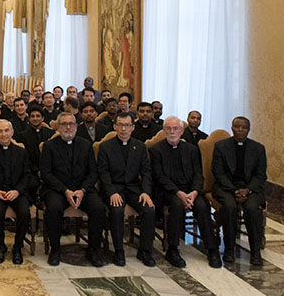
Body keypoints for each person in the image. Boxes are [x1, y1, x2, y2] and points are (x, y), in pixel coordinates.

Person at [150, 117, 222, 269]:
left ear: (182, 131)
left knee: (202, 206)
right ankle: (173, 249)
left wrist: (195, 192)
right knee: (176, 205)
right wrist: (178, 193)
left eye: (175, 128)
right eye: (168, 128)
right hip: (168, 192)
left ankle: (212, 249)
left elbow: (198, 174)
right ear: (164, 131)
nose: (172, 131)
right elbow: (159, 177)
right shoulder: (156, 150)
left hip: (191, 191)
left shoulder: (192, 149)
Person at [40, 113, 106, 267]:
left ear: (76, 126)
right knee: (53, 208)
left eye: (71, 124)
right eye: (64, 124)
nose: (68, 127)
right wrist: (65, 191)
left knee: (98, 208)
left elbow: (93, 172)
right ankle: (55, 249)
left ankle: (93, 249)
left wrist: (82, 190)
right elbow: (46, 174)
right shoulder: (49, 146)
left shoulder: (86, 145)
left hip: (83, 189)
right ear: (58, 127)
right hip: (57, 190)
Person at [97, 111, 156, 267]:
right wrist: (112, 192)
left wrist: (145, 192)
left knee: (149, 210)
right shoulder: (105, 147)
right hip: (114, 188)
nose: (124, 129)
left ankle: (145, 250)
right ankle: (118, 251)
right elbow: (103, 173)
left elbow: (146, 172)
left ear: (132, 127)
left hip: (134, 189)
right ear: (115, 126)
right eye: (120, 125)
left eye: (127, 125)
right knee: (116, 211)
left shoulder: (140, 147)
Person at [211, 116, 267, 266]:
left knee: (253, 209)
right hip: (226, 187)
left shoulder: (258, 148)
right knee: (229, 207)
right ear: (232, 128)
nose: (240, 130)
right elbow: (218, 172)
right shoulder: (221, 146)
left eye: (244, 127)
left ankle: (255, 251)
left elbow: (261, 175)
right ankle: (229, 248)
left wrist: (247, 190)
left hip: (251, 188)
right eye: (237, 127)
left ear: (248, 130)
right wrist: (234, 190)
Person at [0, 120, 37, 265]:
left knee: (24, 213)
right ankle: (1, 246)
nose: (4, 134)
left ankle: (17, 247)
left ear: (12, 132)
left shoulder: (22, 151)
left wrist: (17, 191)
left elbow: (27, 175)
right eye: (0, 131)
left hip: (17, 192)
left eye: (6, 130)